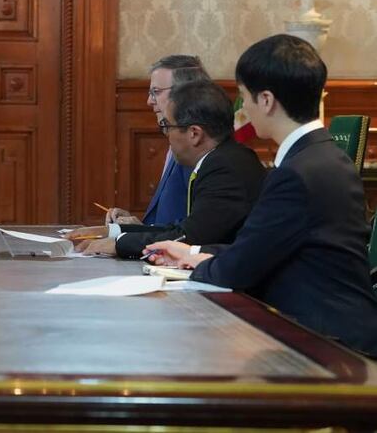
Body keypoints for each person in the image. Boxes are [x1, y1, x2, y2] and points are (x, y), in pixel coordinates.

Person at [145, 35, 377, 357]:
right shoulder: (321, 156)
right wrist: (193, 252)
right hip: (334, 331)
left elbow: (240, 268)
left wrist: (190, 266)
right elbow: (262, 247)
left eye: (244, 97)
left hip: (327, 344)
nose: (243, 110)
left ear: (266, 100)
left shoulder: (297, 173)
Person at [71, 81, 265, 258]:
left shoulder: (224, 168)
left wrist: (119, 244)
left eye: (167, 125)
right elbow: (181, 229)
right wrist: (115, 232)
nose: (166, 135)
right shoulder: (224, 159)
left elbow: (189, 238)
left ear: (194, 133)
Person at [101, 56, 210, 228]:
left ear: (185, 94)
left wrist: (143, 232)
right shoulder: (175, 143)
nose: (149, 101)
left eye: (156, 92)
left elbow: (197, 228)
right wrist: (138, 227)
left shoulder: (197, 147)